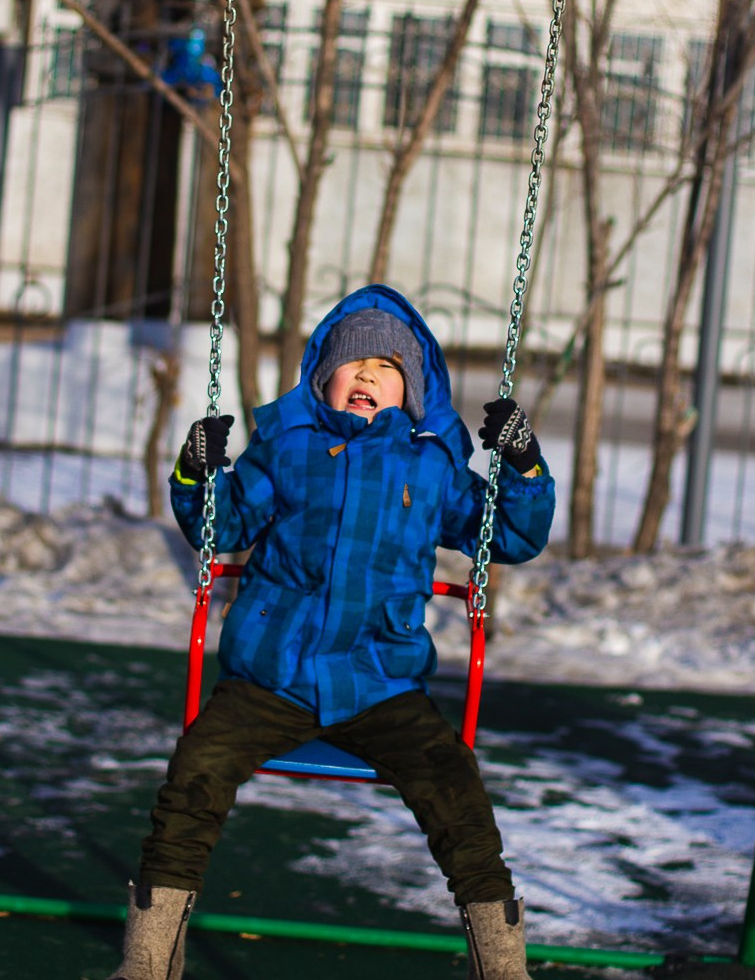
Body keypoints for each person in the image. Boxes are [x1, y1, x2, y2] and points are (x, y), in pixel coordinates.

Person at [107, 284, 555, 980]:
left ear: (411, 389)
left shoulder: (430, 464)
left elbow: (513, 536)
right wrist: (195, 471)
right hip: (271, 673)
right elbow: (220, 527)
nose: (368, 375)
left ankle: (501, 967)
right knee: (194, 777)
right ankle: (147, 962)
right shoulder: (287, 449)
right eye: (353, 365)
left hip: (380, 678)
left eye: (387, 366)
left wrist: (522, 464)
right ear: (324, 379)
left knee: (455, 792)